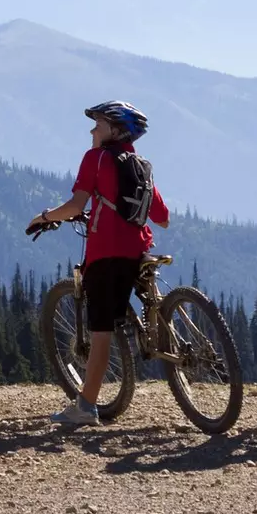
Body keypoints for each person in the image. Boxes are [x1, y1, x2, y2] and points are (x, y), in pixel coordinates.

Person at [26, 101, 170, 429]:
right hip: (139, 249)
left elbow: (77, 204)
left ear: (115, 131)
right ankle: (169, 341)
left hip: (106, 254)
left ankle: (86, 406)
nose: (92, 130)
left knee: (101, 332)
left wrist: (44, 216)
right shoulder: (140, 165)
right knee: (138, 302)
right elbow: (162, 218)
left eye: (99, 124)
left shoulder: (96, 158)